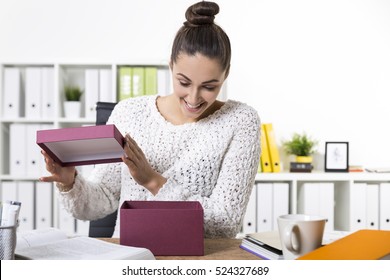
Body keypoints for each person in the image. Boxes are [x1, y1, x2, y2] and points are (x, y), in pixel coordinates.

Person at [40, 1, 261, 238]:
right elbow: (100, 200)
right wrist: (69, 182)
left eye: (209, 86)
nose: (194, 98)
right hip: (131, 255)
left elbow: (225, 222)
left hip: (200, 259)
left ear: (225, 75)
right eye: (183, 82)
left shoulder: (241, 121)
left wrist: (154, 182)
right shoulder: (129, 113)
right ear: (170, 66)